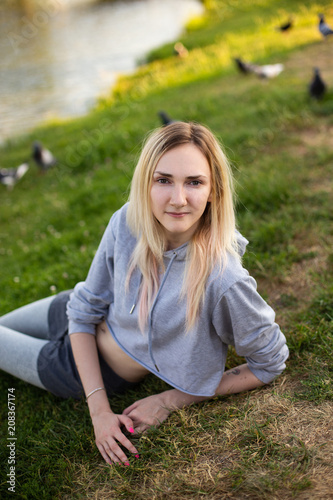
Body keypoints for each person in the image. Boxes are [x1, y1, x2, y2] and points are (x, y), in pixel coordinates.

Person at [0, 122, 289, 466]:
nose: (178, 199)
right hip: (71, 311)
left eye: (194, 182)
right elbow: (82, 311)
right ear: (146, 184)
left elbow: (270, 361)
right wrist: (99, 414)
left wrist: (171, 399)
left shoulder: (224, 280)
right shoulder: (126, 221)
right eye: (163, 180)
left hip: (75, 369)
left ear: (214, 191)